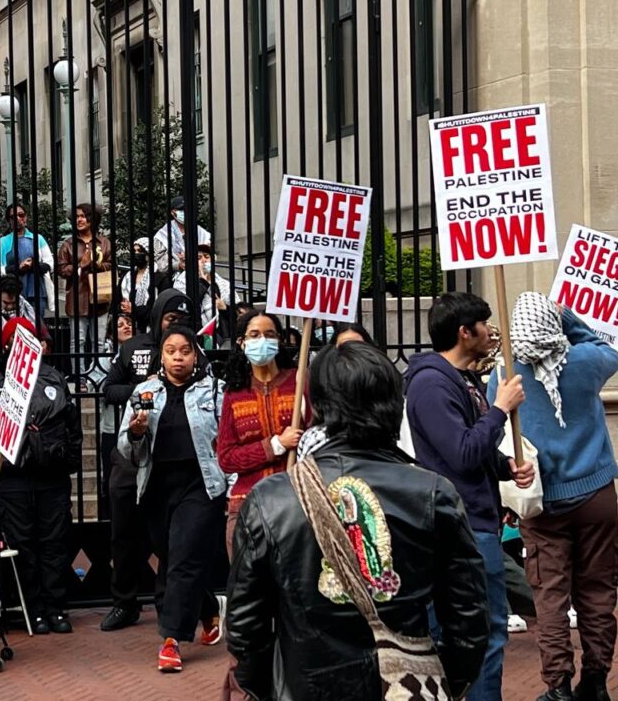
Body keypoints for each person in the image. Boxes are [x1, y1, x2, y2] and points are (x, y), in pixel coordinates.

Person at [227, 342, 490, 700]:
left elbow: (245, 627)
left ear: (317, 406)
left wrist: (270, 684)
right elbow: (468, 617)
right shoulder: (432, 493)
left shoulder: (270, 500)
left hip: (305, 683)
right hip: (405, 685)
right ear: (395, 406)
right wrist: (447, 678)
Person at [403, 291, 534, 701]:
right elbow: (460, 454)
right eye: (484, 324)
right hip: (461, 526)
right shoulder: (430, 384)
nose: (490, 332)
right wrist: (499, 410)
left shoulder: (462, 380)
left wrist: (504, 467)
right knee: (484, 632)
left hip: (474, 520)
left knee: (474, 632)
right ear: (465, 332)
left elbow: (472, 451)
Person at [488, 293, 618, 701]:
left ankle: (557, 685)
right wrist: (568, 320)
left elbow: (498, 432)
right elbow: (607, 350)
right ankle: (596, 680)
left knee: (550, 594)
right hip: (596, 492)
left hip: (541, 500)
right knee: (598, 590)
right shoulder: (583, 361)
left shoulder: (506, 372)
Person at [118, 325, 227, 673]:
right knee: (171, 555)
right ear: (161, 356)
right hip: (157, 486)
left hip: (201, 485)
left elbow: (226, 440)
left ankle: (172, 639)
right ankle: (208, 607)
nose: (177, 357)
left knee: (182, 556)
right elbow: (126, 447)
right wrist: (136, 432)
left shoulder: (214, 391)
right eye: (170, 351)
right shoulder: (145, 391)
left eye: (184, 350)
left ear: (195, 355)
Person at [0, 317, 82, 635]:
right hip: (12, 481)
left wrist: (67, 461)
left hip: (51, 478)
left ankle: (56, 608)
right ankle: (32, 609)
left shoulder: (54, 379)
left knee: (54, 543)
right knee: (23, 546)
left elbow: (72, 427)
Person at [216, 310, 306, 700]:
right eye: (253, 334)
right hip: (247, 508)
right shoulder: (233, 394)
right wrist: (273, 446)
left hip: (297, 505)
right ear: (241, 342)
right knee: (249, 603)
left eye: (269, 333)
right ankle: (247, 682)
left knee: (296, 598)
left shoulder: (299, 385)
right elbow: (226, 457)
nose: (261, 340)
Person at [99, 288, 192, 632]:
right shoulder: (132, 348)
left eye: (183, 321)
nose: (176, 327)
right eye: (171, 319)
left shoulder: (194, 354)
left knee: (170, 535)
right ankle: (124, 603)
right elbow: (108, 389)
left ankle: (169, 605)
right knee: (123, 531)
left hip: (171, 456)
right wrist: (144, 389)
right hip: (131, 451)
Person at [57, 203, 113, 379]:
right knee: (78, 341)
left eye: (82, 216)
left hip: (101, 299)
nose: (78, 220)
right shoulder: (68, 244)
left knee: (99, 341)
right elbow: (61, 269)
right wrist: (80, 266)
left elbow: (112, 265)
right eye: (76, 217)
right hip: (77, 298)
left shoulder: (104, 242)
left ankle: (98, 377)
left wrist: (98, 265)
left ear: (92, 219)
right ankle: (80, 378)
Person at [100, 313, 135, 500]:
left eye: (129, 323)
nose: (126, 327)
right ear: (111, 334)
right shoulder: (104, 357)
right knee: (111, 478)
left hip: (133, 423)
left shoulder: (139, 352)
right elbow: (100, 387)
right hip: (112, 425)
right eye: (120, 325)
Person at [0, 202, 54, 318]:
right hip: (13, 293)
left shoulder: (38, 238)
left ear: (26, 216)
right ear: (9, 220)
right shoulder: (3, 242)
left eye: (21, 215)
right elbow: (0, 269)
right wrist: (18, 267)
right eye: (13, 217)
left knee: (37, 326)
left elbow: (50, 264)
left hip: (37, 291)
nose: (18, 219)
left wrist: (33, 265)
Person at [170, 244, 231, 339]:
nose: (204, 260)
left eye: (207, 257)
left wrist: (225, 308)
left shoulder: (222, 283)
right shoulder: (182, 281)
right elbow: (184, 306)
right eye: (199, 258)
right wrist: (203, 282)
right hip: (194, 334)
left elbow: (237, 311)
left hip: (219, 334)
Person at [153, 196, 211, 275]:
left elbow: (211, 255)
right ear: (173, 212)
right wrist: (179, 265)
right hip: (175, 277)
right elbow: (161, 264)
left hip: (202, 274)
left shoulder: (202, 232)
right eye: (182, 210)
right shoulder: (162, 236)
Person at [118, 237, 158, 333]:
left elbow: (156, 308)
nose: (136, 254)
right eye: (134, 251)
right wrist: (122, 307)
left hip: (149, 327)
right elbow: (117, 300)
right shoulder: (127, 277)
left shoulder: (159, 277)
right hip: (129, 326)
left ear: (148, 255)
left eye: (140, 251)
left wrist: (134, 310)